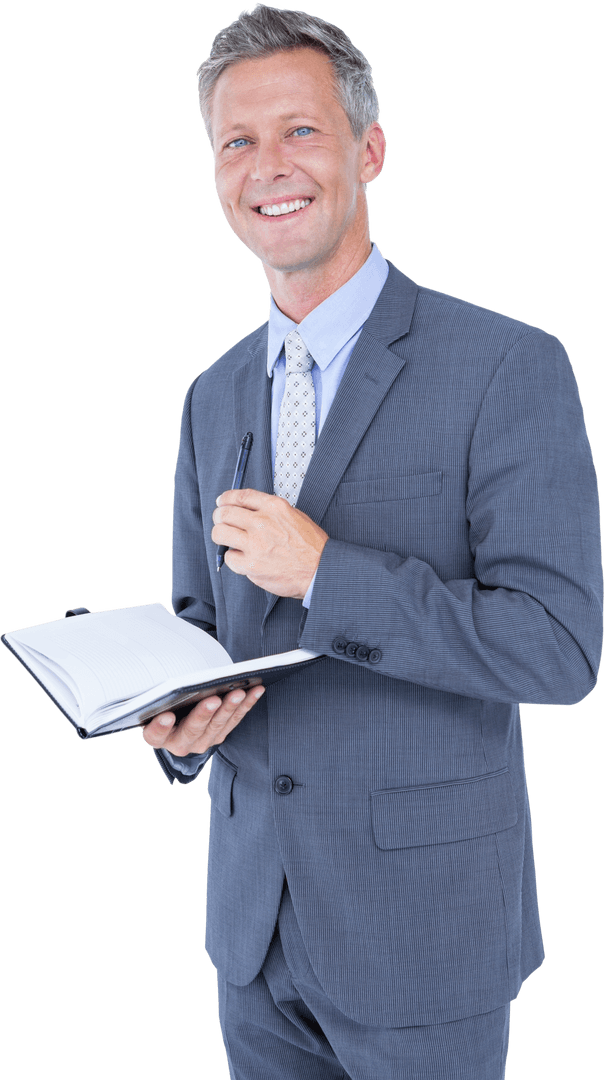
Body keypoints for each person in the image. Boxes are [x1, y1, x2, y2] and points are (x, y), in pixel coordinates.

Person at [141, 5, 603, 1078]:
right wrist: (171, 728)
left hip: (422, 933)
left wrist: (327, 575)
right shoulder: (212, 395)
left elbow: (561, 648)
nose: (268, 168)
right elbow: (199, 628)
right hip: (251, 934)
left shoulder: (505, 365)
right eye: (236, 142)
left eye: (299, 131)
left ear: (369, 149)